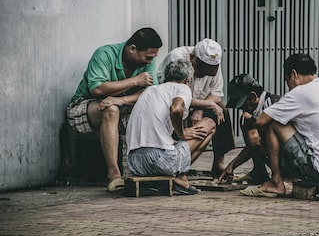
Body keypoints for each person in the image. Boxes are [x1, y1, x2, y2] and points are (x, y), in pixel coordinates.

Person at [240, 53, 319, 199]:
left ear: (294, 74)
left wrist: (270, 151)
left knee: (274, 124)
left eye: (287, 81)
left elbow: (261, 121)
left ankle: (276, 182)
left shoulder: (299, 93)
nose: (289, 86)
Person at [66, 27, 163, 192]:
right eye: (147, 57)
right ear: (132, 49)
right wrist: (135, 82)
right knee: (111, 109)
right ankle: (114, 175)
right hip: (85, 107)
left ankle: (139, 172)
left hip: (121, 106)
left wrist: (122, 99)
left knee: (148, 108)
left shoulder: (148, 61)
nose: (150, 62)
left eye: (152, 58)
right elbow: (97, 89)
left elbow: (150, 93)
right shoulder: (104, 54)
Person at [126, 59, 216, 195]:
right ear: (187, 80)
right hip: (160, 161)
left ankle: (172, 176)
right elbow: (176, 109)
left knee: (174, 144)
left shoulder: (150, 90)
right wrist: (182, 134)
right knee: (210, 124)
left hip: (135, 162)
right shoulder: (183, 88)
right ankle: (181, 178)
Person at [157, 38, 235, 177]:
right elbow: (171, 93)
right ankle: (177, 163)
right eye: (200, 71)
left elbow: (216, 94)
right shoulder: (177, 57)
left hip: (200, 102)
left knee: (221, 110)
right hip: (175, 103)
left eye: (209, 73)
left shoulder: (214, 65)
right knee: (178, 114)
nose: (203, 75)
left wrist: (200, 109)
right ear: (192, 58)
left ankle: (219, 162)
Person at [218, 74, 280, 185]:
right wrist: (231, 166)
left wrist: (254, 122)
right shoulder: (251, 114)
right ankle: (259, 172)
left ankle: (282, 176)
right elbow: (251, 147)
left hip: (289, 157)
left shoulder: (273, 104)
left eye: (243, 105)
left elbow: (256, 142)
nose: (243, 110)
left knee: (252, 130)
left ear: (253, 96)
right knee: (247, 123)